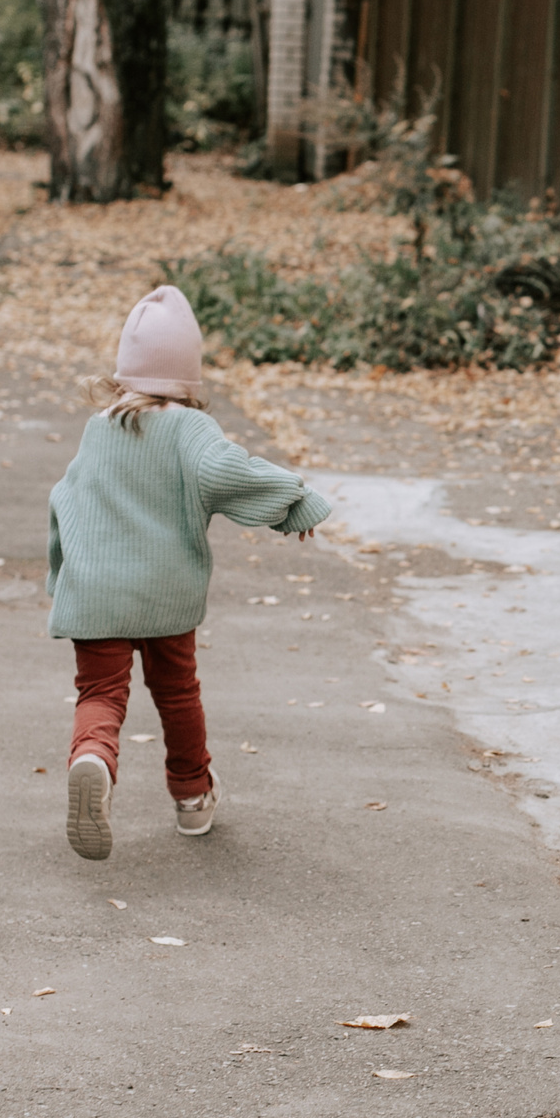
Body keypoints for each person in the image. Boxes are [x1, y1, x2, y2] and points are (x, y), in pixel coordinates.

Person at [47, 285, 333, 860]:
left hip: (97, 592)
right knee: (177, 695)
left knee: (100, 693)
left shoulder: (100, 426)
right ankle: (192, 795)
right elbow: (231, 472)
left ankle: (92, 758)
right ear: (187, 373)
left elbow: (65, 501)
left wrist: (63, 578)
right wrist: (293, 499)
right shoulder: (190, 430)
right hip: (166, 593)